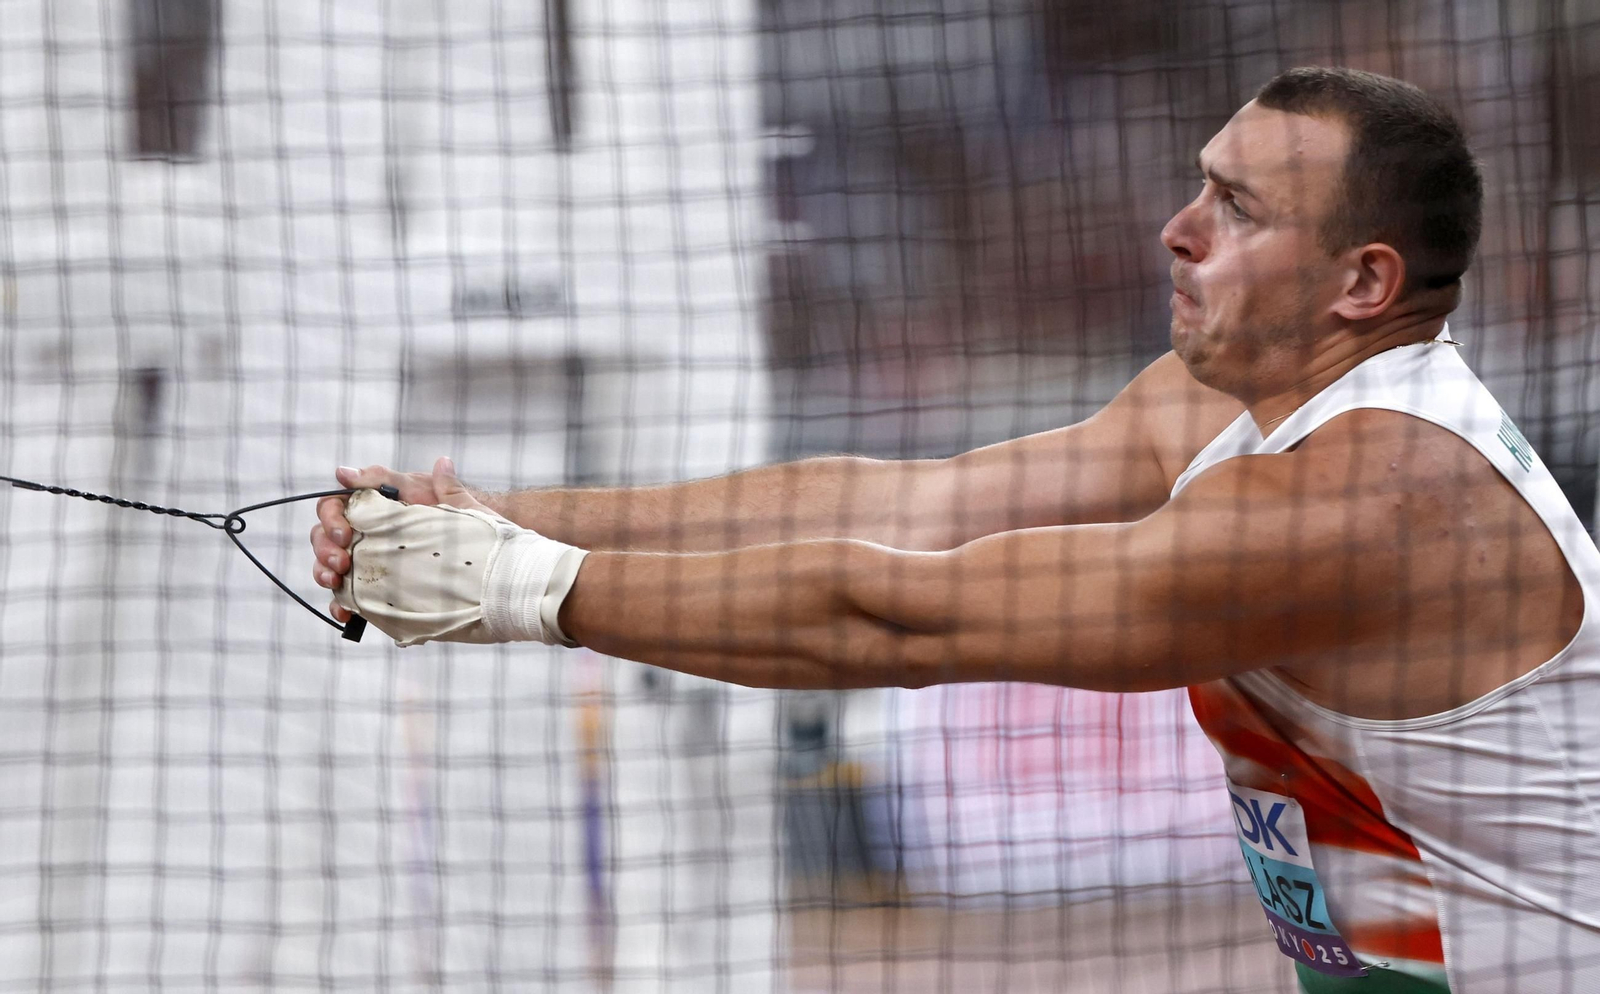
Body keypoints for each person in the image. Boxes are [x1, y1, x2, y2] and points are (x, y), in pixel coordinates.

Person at [309, 67, 1600, 992]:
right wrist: (495, 516)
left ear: (1362, 283)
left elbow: (896, 615)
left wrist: (525, 589)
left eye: (1239, 209)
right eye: (1199, 186)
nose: (1178, 227)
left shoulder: (1368, 507)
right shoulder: (1238, 396)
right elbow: (905, 506)